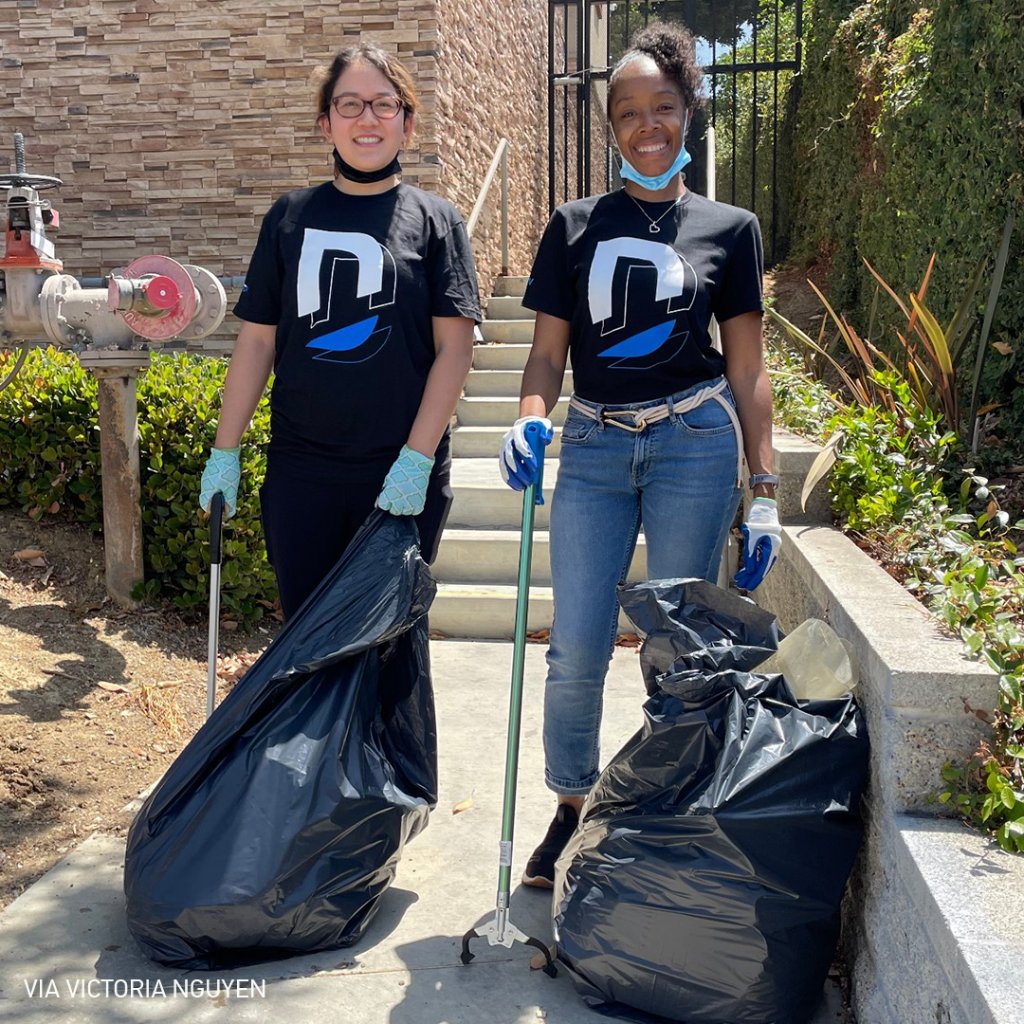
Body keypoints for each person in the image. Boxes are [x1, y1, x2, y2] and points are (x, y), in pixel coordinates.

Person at [499, 22, 782, 888]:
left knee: (681, 645)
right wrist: (528, 416)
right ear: (611, 126)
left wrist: (763, 485)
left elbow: (747, 364)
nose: (646, 124)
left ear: (688, 111)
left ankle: (657, 811)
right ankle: (570, 810)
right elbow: (548, 354)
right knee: (578, 644)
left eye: (663, 106)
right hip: (590, 446)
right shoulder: (573, 225)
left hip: (694, 443)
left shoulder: (730, 228)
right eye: (628, 112)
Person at [199, 43, 480, 620]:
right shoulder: (289, 218)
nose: (367, 118)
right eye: (349, 104)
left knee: (389, 649)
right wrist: (224, 451)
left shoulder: (437, 221)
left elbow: (455, 349)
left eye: (384, 103)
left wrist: (417, 461)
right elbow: (257, 341)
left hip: (401, 470)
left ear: (408, 120)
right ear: (326, 122)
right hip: (302, 471)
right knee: (308, 642)